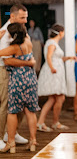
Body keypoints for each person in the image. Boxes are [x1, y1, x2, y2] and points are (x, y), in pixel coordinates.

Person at [0, 23, 40, 153]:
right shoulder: (28, 42)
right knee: (30, 111)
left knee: (12, 111)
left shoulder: (14, 48)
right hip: (31, 79)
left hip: (18, 80)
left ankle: (11, 144)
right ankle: (33, 141)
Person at [37, 24, 77, 131]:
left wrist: (69, 58)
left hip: (56, 71)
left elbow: (58, 58)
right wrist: (52, 68)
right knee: (59, 97)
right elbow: (49, 57)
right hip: (54, 72)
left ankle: (44, 122)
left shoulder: (54, 43)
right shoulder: (52, 43)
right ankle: (53, 122)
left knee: (53, 98)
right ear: (60, 33)